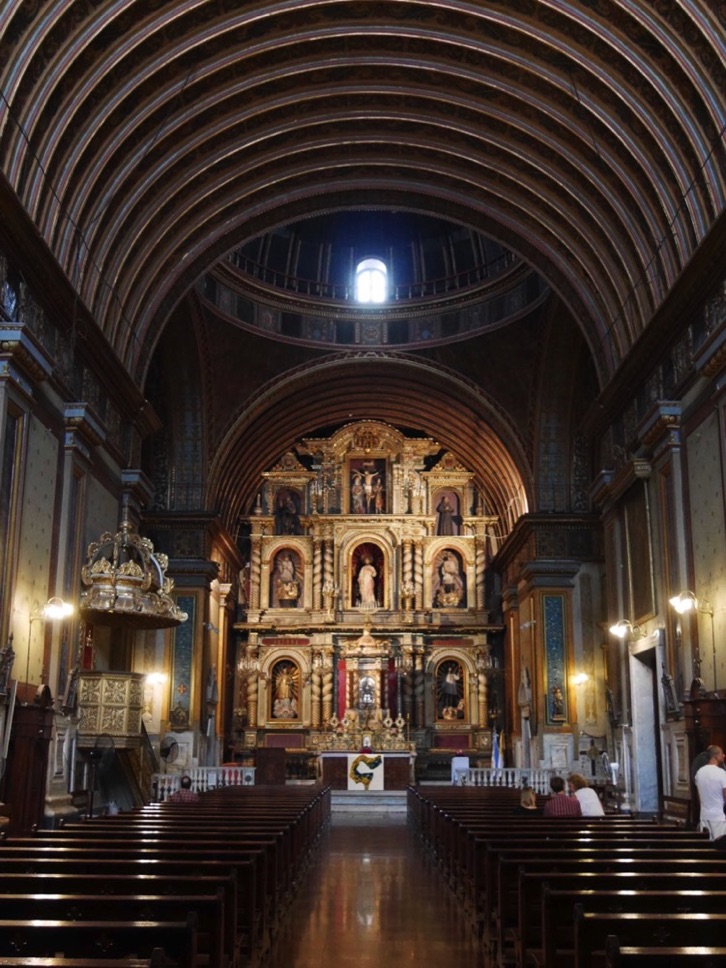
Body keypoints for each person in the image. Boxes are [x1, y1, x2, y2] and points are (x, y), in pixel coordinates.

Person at [694, 745, 726, 839]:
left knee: (706, 846)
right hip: (718, 817)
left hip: (704, 816)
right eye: (721, 753)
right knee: (719, 846)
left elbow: (699, 796)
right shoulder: (721, 773)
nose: (724, 755)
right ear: (716, 755)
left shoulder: (699, 772)